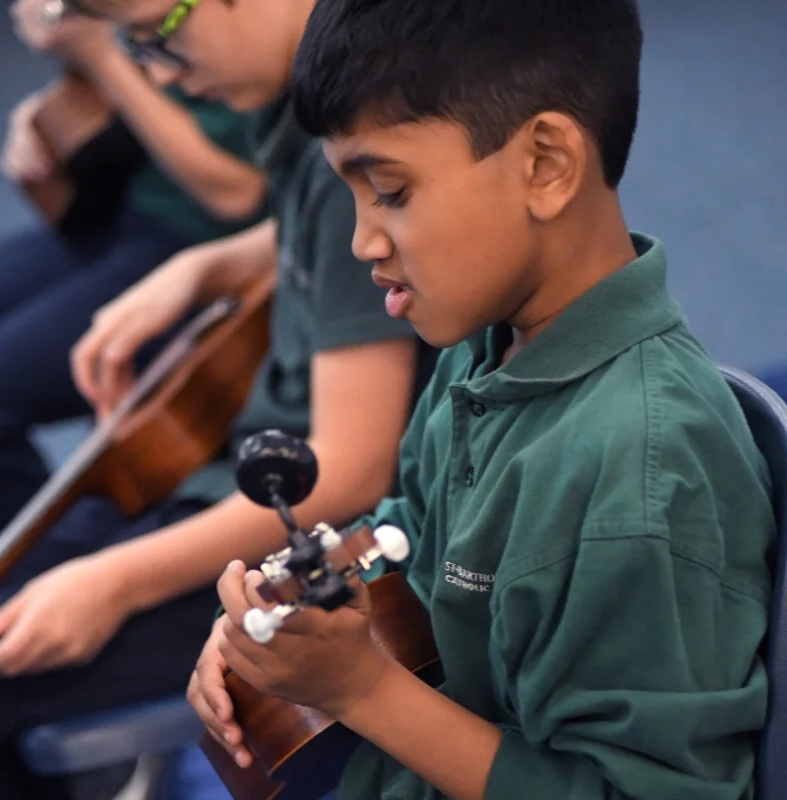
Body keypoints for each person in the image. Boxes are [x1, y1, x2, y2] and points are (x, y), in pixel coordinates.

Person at [189, 1, 775, 799]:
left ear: (546, 165)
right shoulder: (487, 345)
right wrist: (294, 603)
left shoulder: (639, 472)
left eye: (390, 191)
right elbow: (413, 533)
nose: (363, 240)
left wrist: (363, 691)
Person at [0, 0, 433, 797]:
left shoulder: (357, 131)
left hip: (315, 551)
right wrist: (209, 266)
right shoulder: (310, 116)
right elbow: (314, 229)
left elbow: (353, 467)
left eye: (160, 35)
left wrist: (113, 582)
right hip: (233, 484)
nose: (156, 71)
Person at [0, 0, 266, 535]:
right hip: (130, 203)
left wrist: (98, 56)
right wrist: (52, 104)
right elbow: (130, 43)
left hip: (205, 239)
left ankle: (28, 571)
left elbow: (235, 195)